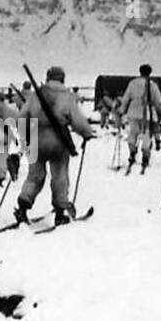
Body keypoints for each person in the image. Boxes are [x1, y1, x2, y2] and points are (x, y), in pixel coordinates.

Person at [14, 66, 95, 226]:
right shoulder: (67, 96)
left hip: (36, 139)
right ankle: (60, 211)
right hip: (58, 141)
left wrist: (25, 137)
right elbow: (77, 119)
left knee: (34, 176)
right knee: (60, 176)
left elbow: (21, 117)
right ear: (62, 78)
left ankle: (23, 207)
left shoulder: (36, 94)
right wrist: (86, 133)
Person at [116, 63, 161, 173]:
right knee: (146, 134)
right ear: (149, 72)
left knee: (133, 133)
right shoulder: (153, 85)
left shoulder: (132, 83)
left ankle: (132, 152)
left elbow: (126, 98)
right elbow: (158, 102)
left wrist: (121, 110)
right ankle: (145, 155)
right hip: (147, 113)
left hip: (133, 111)